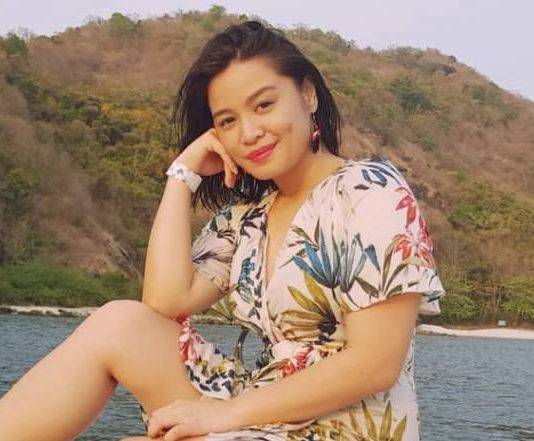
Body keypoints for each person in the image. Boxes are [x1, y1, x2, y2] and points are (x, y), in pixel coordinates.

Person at [0, 20, 445, 441]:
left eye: (264, 105)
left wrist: (223, 415)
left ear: (307, 95)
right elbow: (165, 303)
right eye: (228, 121)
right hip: (263, 402)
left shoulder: (369, 190)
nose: (249, 133)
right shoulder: (247, 218)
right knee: (118, 322)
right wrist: (182, 175)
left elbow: (375, 364)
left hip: (348, 425)